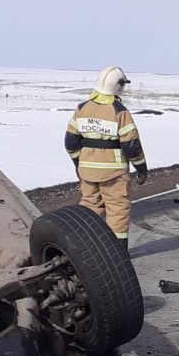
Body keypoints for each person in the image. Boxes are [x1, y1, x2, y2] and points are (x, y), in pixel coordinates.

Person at [65, 66, 148, 244]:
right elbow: (131, 145)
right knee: (117, 211)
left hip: (87, 171)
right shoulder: (119, 111)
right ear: (119, 86)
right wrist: (141, 168)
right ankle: (116, 252)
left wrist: (78, 164)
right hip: (114, 173)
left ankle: (84, 248)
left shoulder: (82, 109)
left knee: (89, 207)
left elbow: (70, 142)